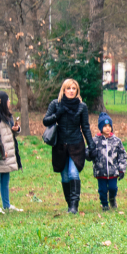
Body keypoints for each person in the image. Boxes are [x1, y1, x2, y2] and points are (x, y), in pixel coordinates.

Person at [43, 78, 94, 214]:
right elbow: (45, 121)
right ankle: (69, 204)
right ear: (63, 90)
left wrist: (91, 145)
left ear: (77, 91)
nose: (71, 91)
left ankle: (74, 207)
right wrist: (57, 114)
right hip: (60, 145)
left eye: (74, 89)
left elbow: (85, 127)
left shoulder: (82, 106)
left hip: (76, 144)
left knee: (73, 173)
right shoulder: (56, 104)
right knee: (65, 177)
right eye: (68, 88)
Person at [0, 90, 23, 214]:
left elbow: (12, 134)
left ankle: (6, 204)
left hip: (8, 153)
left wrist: (16, 129)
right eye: (7, 99)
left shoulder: (8, 116)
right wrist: (0, 151)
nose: (9, 101)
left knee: (5, 180)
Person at [90, 112, 127, 211]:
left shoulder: (116, 141)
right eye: (105, 126)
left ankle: (112, 198)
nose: (107, 128)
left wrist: (122, 169)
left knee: (113, 188)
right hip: (100, 171)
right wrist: (89, 153)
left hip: (113, 171)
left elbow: (122, 155)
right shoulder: (95, 141)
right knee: (102, 190)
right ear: (100, 127)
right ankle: (104, 204)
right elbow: (88, 152)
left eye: (109, 126)